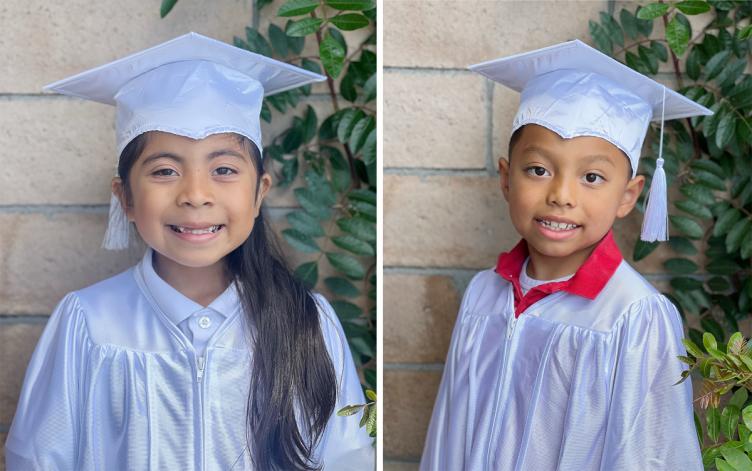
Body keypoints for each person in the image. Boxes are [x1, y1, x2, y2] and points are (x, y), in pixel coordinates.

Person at [4, 32, 374, 470]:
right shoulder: (88, 322)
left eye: (223, 169)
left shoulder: (307, 319)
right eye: (164, 170)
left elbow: (347, 457)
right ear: (125, 198)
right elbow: (39, 458)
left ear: (259, 194)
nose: (196, 195)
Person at [419, 40, 710, 470]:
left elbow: (651, 457)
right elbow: (447, 434)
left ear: (628, 196)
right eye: (538, 170)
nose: (561, 196)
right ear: (506, 178)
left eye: (592, 177)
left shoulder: (635, 317)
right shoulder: (483, 295)